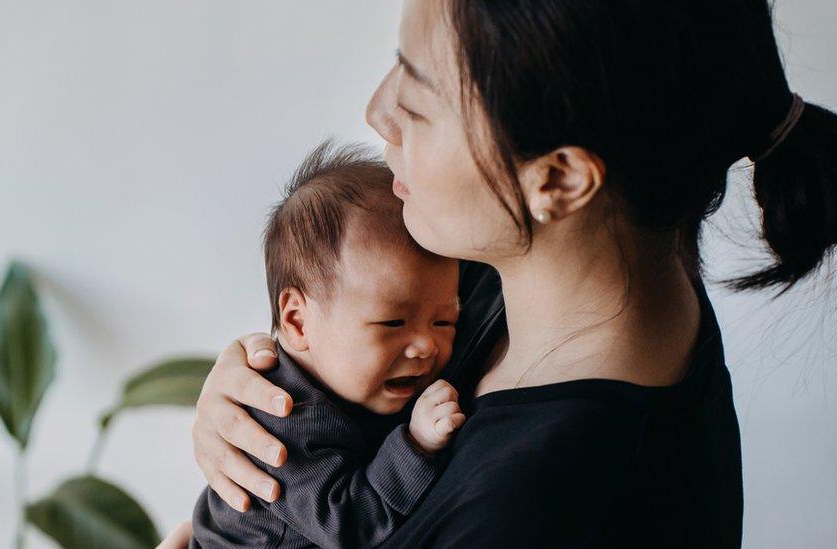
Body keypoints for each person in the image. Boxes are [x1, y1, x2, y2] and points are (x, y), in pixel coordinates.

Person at [167, 0, 837, 546]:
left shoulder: (526, 508)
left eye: (419, 96)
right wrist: (264, 398)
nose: (378, 111)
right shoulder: (548, 279)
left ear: (560, 179)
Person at [190, 142, 465, 548]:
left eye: (445, 321)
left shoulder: (352, 380)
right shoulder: (285, 419)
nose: (426, 345)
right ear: (298, 321)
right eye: (392, 322)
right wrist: (415, 445)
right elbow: (348, 525)